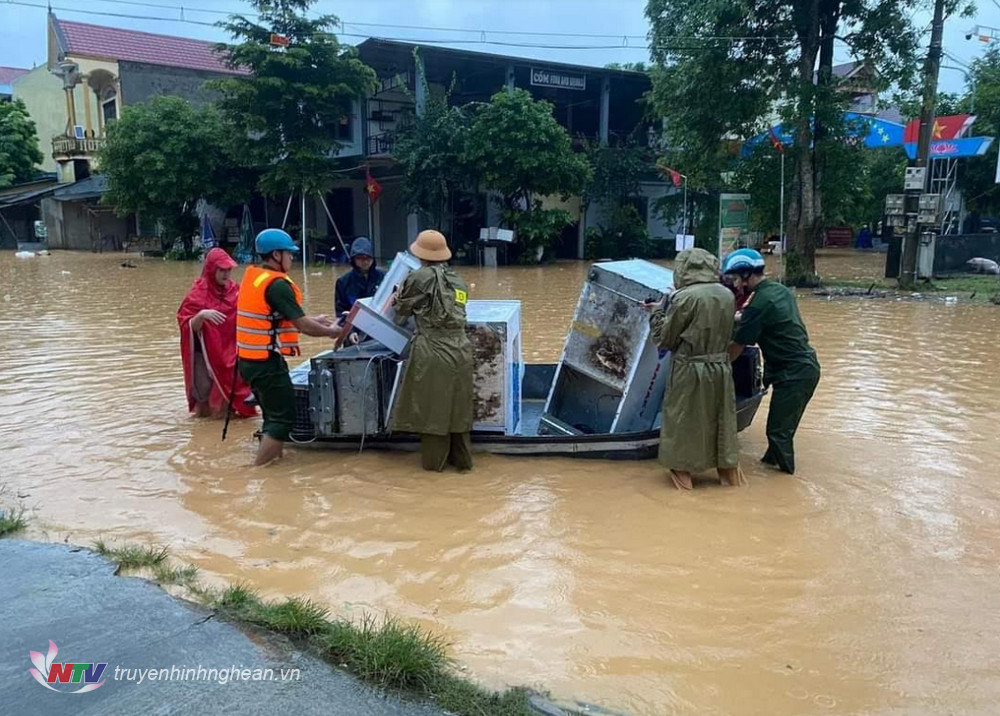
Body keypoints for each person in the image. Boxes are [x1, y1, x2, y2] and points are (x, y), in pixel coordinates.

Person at [237, 229, 343, 466]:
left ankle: (274, 467)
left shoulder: (255, 277)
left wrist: (316, 319)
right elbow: (303, 326)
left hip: (249, 360)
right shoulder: (277, 285)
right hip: (266, 363)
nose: (293, 258)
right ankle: (258, 471)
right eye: (290, 254)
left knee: (271, 417)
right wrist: (332, 331)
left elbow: (275, 319)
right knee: (283, 420)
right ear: (276, 254)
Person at [644, 248, 745, 490]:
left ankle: (684, 488)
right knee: (721, 421)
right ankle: (731, 482)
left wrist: (656, 312)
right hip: (721, 368)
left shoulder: (684, 298)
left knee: (682, 425)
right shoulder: (726, 295)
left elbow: (666, 339)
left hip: (689, 369)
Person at [724, 248, 821, 475]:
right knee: (780, 429)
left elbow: (737, 348)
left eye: (737, 279)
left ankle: (786, 484)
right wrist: (739, 317)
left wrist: (714, 367)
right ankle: (770, 468)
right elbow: (758, 318)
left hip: (793, 374)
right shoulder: (779, 290)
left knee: (778, 433)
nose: (736, 286)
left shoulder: (759, 304)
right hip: (802, 367)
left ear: (748, 275)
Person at [391, 230, 475, 472]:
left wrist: (397, 297)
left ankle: (433, 474)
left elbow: (400, 314)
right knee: (458, 415)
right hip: (461, 350)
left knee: (433, 416)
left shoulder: (418, 277)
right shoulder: (458, 280)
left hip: (433, 351)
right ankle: (463, 466)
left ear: (421, 254)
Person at [177, 247, 255, 419]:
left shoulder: (236, 291)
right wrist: (202, 315)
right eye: (222, 270)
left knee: (233, 396)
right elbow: (186, 325)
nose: (226, 274)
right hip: (204, 357)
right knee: (204, 402)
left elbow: (253, 312)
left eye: (229, 270)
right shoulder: (197, 295)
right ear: (211, 269)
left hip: (230, 354)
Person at [335, 236, 385, 317]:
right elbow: (340, 312)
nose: (365, 261)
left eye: (368, 258)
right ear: (354, 259)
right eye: (360, 258)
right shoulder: (343, 282)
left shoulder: (384, 278)